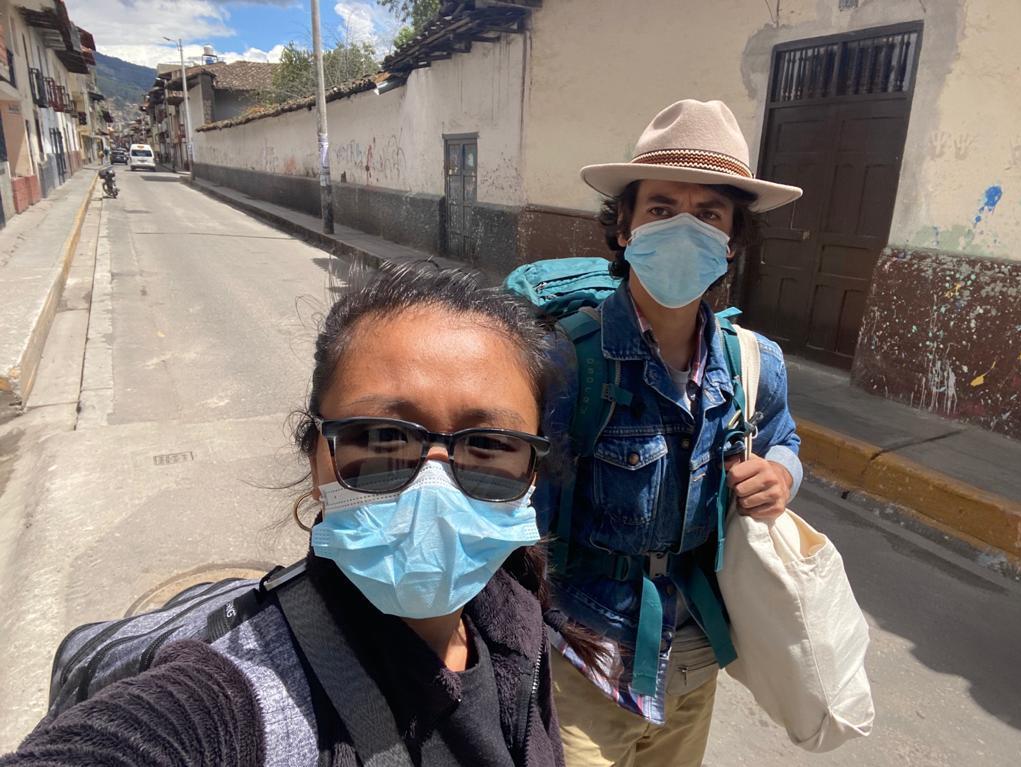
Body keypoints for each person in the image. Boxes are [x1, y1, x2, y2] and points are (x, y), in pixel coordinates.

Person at [2, 266, 598, 766]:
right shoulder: (238, 697)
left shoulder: (514, 615)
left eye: (488, 445)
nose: (434, 487)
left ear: (532, 472)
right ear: (316, 456)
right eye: (382, 437)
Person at [536, 100, 805, 766]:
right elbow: (519, 516)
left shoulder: (753, 362)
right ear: (623, 228)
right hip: (582, 660)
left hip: (694, 660)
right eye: (660, 208)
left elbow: (785, 442)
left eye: (707, 213)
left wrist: (780, 476)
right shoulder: (567, 360)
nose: (684, 227)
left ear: (730, 241)